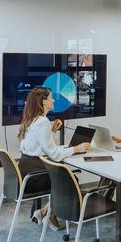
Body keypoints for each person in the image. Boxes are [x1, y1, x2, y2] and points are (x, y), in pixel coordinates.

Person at [17, 86, 90, 228]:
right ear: (44, 102)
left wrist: (53, 130)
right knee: (70, 180)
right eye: (51, 97)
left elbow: (39, 144)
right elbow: (55, 155)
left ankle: (44, 212)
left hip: (26, 170)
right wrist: (77, 149)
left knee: (65, 177)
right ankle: (50, 215)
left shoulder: (33, 119)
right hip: (34, 175)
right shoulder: (42, 122)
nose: (54, 99)